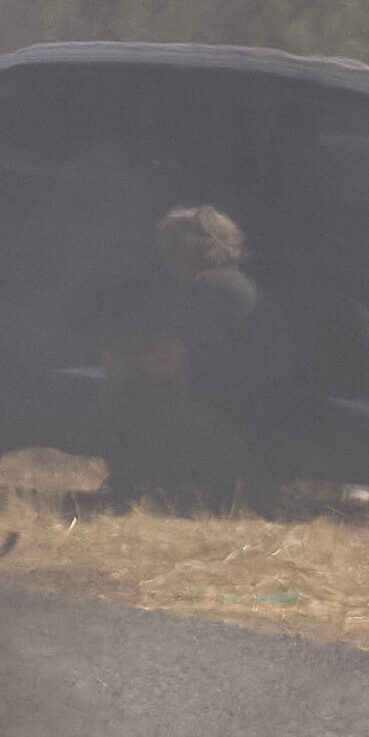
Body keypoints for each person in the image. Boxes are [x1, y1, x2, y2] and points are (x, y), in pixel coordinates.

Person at [87, 203, 272, 515]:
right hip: (252, 426)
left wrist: (119, 365)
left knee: (121, 389)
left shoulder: (210, 288)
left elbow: (166, 364)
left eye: (175, 242)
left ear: (202, 246)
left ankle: (137, 488)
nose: (166, 252)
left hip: (228, 429)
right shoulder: (235, 283)